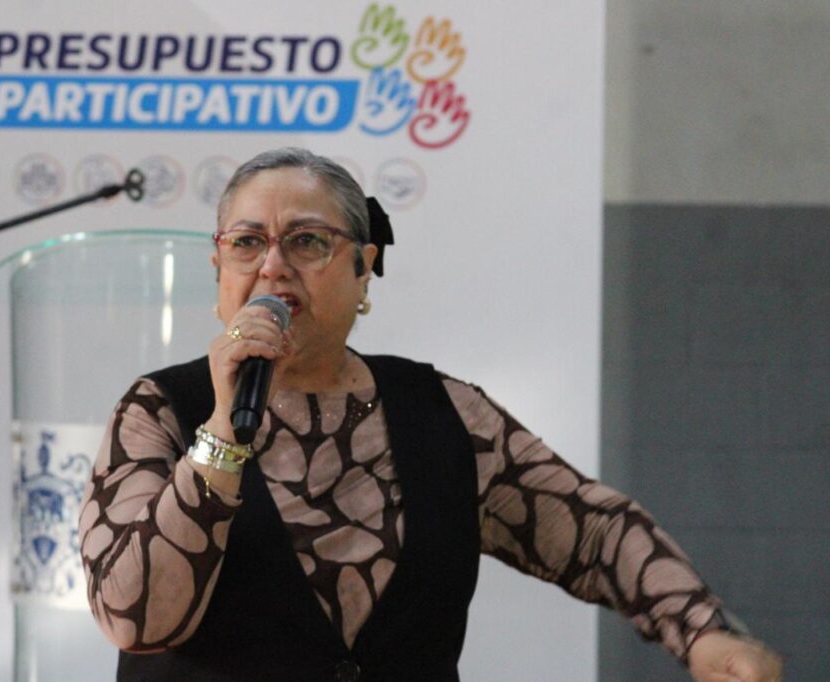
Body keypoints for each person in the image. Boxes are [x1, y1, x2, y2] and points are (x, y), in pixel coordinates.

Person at [78, 148, 782, 681]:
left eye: (307, 240)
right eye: (247, 242)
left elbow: (594, 531)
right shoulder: (160, 410)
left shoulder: (445, 412)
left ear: (363, 270)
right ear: (219, 269)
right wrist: (221, 435)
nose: (272, 266)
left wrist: (701, 630)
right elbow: (136, 618)